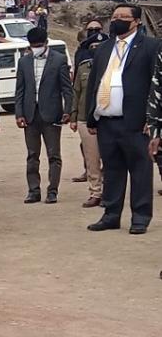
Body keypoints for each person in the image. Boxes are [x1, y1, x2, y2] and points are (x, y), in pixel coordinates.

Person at [88, 4, 160, 234]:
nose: (117, 20)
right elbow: (94, 83)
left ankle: (140, 216)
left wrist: (153, 119)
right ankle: (111, 214)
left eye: (123, 17)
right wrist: (91, 116)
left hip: (136, 121)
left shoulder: (150, 46)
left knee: (140, 170)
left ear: (136, 21)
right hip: (106, 121)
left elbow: (156, 85)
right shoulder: (103, 48)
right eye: (114, 16)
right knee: (112, 169)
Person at [14, 27, 73, 205]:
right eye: (33, 45)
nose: (36, 48)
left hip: (52, 114)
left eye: (39, 45)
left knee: (54, 154)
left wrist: (68, 110)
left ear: (46, 43)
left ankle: (52, 191)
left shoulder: (59, 60)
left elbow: (66, 89)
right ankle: (33, 190)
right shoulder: (24, 62)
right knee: (32, 155)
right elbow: (20, 90)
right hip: (30, 115)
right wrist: (19, 113)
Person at [70, 22, 107, 207]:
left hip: (108, 119)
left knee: (110, 158)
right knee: (92, 159)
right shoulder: (83, 66)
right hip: (85, 117)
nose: (97, 51)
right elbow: (76, 92)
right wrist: (73, 116)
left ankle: (109, 192)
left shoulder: (113, 67)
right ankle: (95, 192)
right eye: (93, 47)